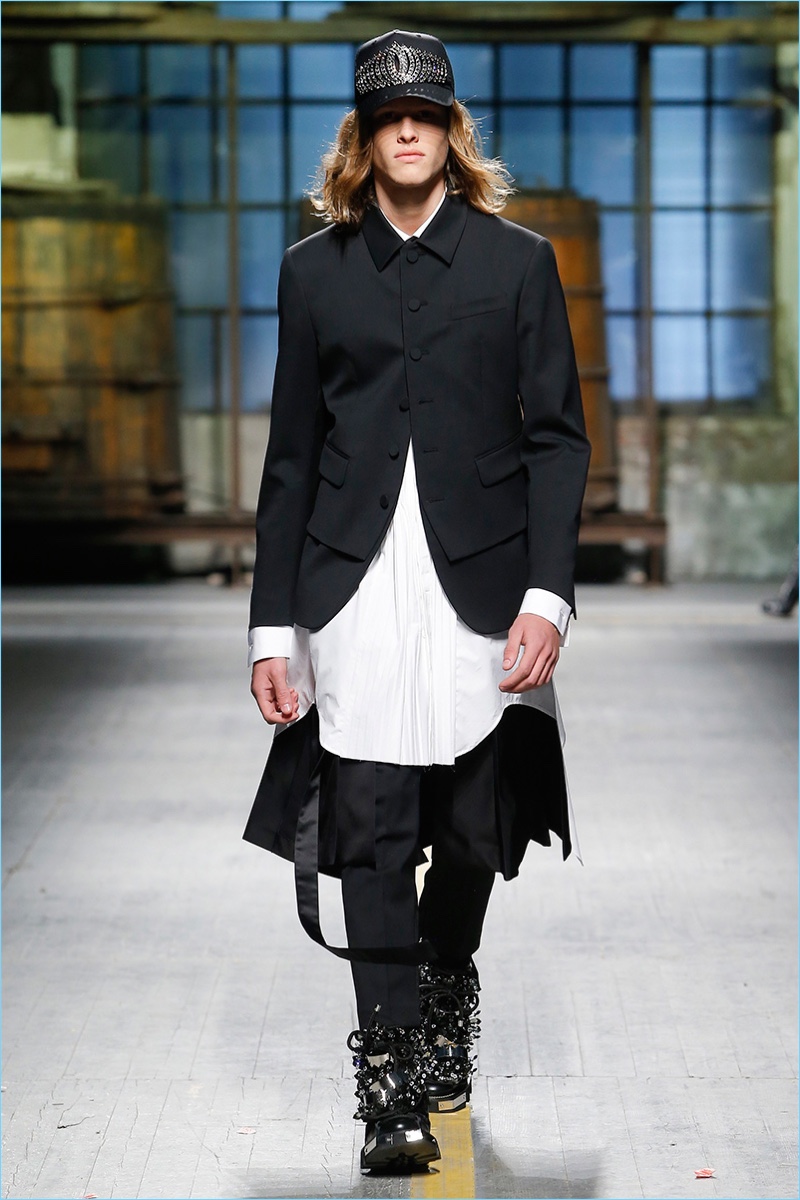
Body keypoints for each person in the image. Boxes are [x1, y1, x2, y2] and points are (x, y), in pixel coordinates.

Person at [243, 29, 591, 1174]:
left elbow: (556, 440)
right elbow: (290, 457)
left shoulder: (516, 264)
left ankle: (445, 990)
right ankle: (388, 1083)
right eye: (388, 115)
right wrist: (271, 625)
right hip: (349, 587)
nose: (407, 130)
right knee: (372, 829)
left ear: (449, 130)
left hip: (485, 588)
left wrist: (547, 595)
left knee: (475, 829)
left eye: (426, 114)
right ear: (363, 134)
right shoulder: (312, 272)